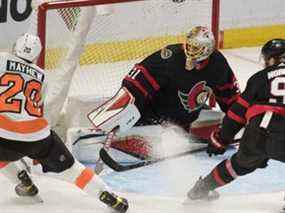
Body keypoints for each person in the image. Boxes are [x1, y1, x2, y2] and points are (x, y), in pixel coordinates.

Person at [0, 33, 128, 212]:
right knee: (71, 168)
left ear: (15, 47)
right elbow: (36, 107)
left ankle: (23, 180)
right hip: (37, 137)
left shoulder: (2, 58)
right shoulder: (42, 76)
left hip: (3, 136)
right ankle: (109, 196)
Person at [88, 26, 240, 139]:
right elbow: (137, 80)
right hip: (152, 119)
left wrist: (237, 121)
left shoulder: (218, 64)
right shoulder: (171, 57)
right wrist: (127, 110)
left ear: (208, 49)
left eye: (197, 47)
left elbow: (229, 94)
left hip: (182, 123)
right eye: (191, 45)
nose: (192, 50)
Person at [187, 38, 285, 201]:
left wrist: (221, 139)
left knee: (238, 165)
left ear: (272, 59)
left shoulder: (259, 78)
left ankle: (201, 189)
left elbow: (236, 114)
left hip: (258, 132)